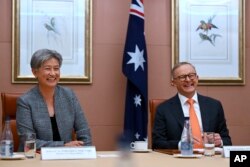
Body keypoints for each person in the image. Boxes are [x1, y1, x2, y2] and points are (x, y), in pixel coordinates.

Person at [16, 49, 92, 151]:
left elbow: (84, 131)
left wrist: (85, 150)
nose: (53, 73)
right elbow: (28, 142)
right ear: (35, 72)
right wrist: (63, 146)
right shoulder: (25, 101)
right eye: (47, 69)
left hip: (66, 157)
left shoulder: (69, 95)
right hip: (35, 158)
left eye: (56, 68)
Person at [152, 62, 232, 149]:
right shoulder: (163, 109)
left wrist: (219, 142)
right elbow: (157, 143)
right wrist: (183, 145)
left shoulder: (214, 106)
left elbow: (227, 141)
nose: (188, 79)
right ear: (173, 82)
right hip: (179, 159)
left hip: (208, 157)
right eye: (182, 77)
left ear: (197, 78)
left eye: (191, 75)